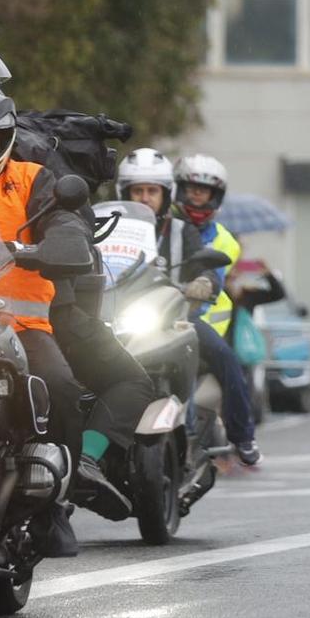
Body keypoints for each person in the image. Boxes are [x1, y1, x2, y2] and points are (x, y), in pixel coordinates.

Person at [0, 40, 156, 524]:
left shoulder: (30, 179)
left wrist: (53, 245)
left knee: (61, 388)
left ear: (0, 135)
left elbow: (67, 224)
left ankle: (56, 501)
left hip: (17, 324)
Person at [117, 149, 260, 467]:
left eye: (151, 191)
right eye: (137, 191)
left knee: (224, 359)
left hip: (178, 315)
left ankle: (238, 435)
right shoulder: (114, 226)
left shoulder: (182, 230)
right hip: (120, 315)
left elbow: (209, 272)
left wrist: (205, 283)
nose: (144, 198)